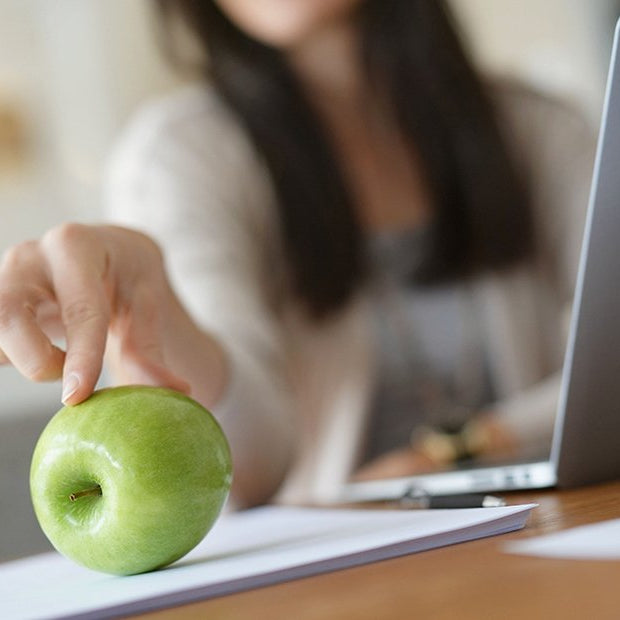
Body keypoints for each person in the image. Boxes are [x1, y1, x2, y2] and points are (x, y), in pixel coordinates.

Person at [0, 0, 595, 508]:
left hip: (543, 529)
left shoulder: (539, 127)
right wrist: (161, 298)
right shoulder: (180, 157)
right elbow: (247, 473)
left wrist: (471, 444)